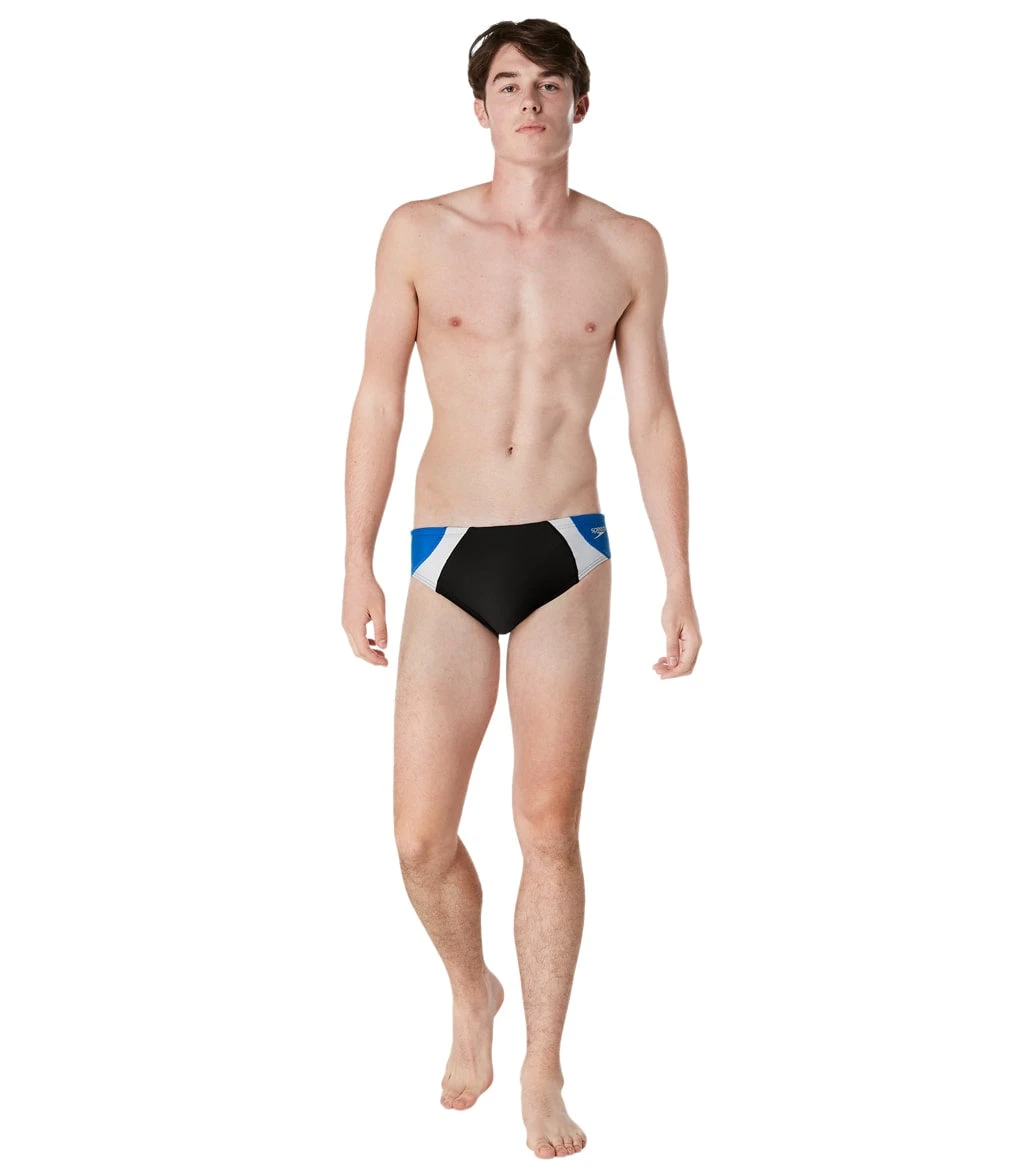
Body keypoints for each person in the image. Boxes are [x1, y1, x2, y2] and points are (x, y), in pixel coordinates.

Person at [341, 18, 702, 1161]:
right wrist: (354, 555)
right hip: (446, 548)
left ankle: (544, 1061)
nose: (530, 104)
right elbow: (378, 399)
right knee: (418, 838)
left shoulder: (629, 247)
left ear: (579, 106)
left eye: (549, 86)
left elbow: (652, 416)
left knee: (548, 824)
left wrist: (681, 574)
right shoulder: (418, 233)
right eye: (508, 86)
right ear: (480, 108)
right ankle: (473, 987)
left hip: (567, 545)